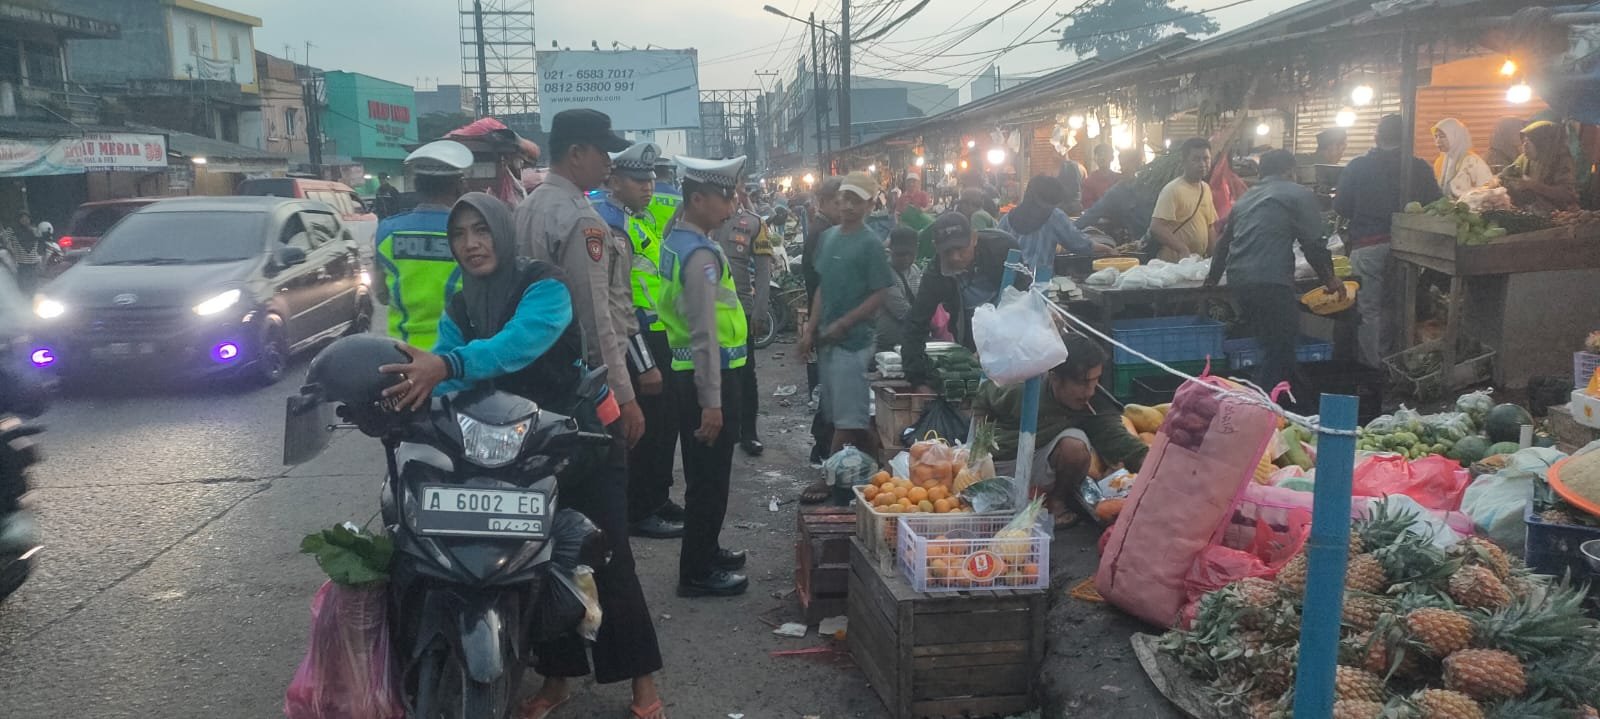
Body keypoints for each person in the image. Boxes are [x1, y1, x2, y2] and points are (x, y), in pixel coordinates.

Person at [376, 193, 666, 719]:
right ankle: (557, 679)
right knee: (526, 562)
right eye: (460, 234)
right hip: (510, 445)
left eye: (481, 230)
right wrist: (403, 399)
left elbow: (515, 346)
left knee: (604, 557)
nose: (471, 244)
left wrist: (446, 364)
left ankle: (642, 685)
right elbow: (444, 371)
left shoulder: (545, 285)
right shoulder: (462, 302)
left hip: (579, 439)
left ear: (503, 233)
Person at [515, 109, 652, 450]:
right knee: (603, 485)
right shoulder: (580, 220)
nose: (609, 162)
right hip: (579, 383)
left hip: (532, 371)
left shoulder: (527, 208)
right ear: (576, 154)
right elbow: (595, 316)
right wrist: (623, 396)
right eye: (602, 152)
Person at [656, 155, 752, 598]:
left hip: (694, 375)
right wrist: (711, 400)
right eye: (724, 197)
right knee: (708, 481)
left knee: (709, 476)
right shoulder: (698, 256)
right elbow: (704, 334)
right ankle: (695, 572)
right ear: (697, 199)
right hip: (706, 380)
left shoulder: (678, 240)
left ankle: (707, 550)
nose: (731, 206)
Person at [592, 142, 684, 540]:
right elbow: (618, 302)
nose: (647, 187)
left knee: (664, 427)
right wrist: (644, 363)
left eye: (649, 179)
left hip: (656, 329)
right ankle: (639, 510)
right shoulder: (609, 223)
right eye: (637, 180)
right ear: (614, 181)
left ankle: (657, 497)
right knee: (642, 430)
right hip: (635, 337)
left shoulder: (638, 217)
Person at [1205, 150, 1345, 404]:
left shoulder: (1247, 198)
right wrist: (1330, 279)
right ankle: (1257, 407)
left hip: (1239, 281)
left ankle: (1296, 402)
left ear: (1261, 173)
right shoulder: (1298, 194)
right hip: (1270, 280)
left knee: (1276, 345)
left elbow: (1224, 242)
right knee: (1279, 348)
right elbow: (1313, 243)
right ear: (1291, 171)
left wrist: (1212, 281)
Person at [971, 334, 1147, 528]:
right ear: (1055, 378)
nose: (1089, 391)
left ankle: (1057, 503)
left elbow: (1120, 442)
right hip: (1001, 463)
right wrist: (979, 446)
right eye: (1081, 383)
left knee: (1075, 445)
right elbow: (983, 396)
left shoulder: (1095, 403)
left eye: (1095, 380)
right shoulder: (1021, 388)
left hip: (1040, 465)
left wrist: (1156, 468)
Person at [799, 171, 897, 461]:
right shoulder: (828, 238)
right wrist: (810, 330)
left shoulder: (871, 245)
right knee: (841, 415)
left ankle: (828, 474)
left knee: (847, 421)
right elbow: (822, 289)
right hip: (828, 341)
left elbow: (879, 293)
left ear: (869, 205)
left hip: (854, 342)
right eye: (845, 199)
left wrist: (845, 322)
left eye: (857, 201)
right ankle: (880, 463)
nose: (848, 207)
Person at [1334, 114, 1443, 368]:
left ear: (1376, 136)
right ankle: (1398, 364)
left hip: (1368, 245)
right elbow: (1436, 205)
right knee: (1400, 306)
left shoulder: (1358, 166)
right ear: (1407, 137)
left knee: (1368, 309)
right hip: (1408, 247)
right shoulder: (1420, 167)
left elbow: (1341, 206)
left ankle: (1373, 368)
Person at [902, 211, 1027, 389]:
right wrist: (917, 379)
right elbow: (915, 323)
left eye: (961, 249)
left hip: (1010, 319)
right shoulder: (935, 275)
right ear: (935, 247)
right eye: (947, 251)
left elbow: (1025, 295)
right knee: (975, 380)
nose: (955, 257)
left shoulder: (1002, 248)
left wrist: (998, 339)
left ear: (974, 238)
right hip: (969, 324)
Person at [373, 140, 473, 351]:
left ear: (417, 186)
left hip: (401, 357)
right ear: (459, 186)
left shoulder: (387, 231)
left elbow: (381, 295)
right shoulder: (470, 234)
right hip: (455, 358)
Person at [712, 185, 771, 458]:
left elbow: (762, 271)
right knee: (711, 371)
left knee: (745, 373)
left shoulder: (753, 224)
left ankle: (749, 433)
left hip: (740, 310)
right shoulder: (703, 220)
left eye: (731, 193)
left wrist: (760, 311)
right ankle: (721, 429)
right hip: (705, 310)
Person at [1001, 175, 1099, 273]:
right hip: (1039, 284)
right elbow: (1078, 243)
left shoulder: (1007, 218)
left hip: (1008, 282)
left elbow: (996, 247)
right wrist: (1100, 247)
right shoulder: (1054, 216)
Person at [1149, 137, 1219, 261]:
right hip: (1174, 265)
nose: (1202, 164)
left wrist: (1215, 257)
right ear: (1184, 162)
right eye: (1196, 159)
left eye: (1206, 158)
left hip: (1197, 263)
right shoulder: (1172, 190)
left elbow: (1210, 226)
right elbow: (1157, 227)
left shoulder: (1206, 189)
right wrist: (1182, 249)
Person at [1499, 120, 1580, 213]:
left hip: (1560, 214)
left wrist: (1534, 185)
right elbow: (1508, 173)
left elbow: (1567, 194)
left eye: (1529, 141)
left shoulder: (1561, 160)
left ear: (1542, 143)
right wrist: (1498, 180)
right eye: (1524, 141)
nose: (1524, 146)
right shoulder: (1525, 158)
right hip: (1533, 211)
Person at [1075, 150, 1153, 243]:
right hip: (1146, 241)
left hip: (1144, 240)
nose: (1123, 168)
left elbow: (1092, 214)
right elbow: (1092, 213)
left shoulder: (1119, 190)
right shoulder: (1119, 190)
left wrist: (1068, 231)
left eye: (1124, 164)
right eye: (1122, 165)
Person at [876, 226, 923, 353]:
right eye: (900, 254)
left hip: (910, 338)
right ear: (890, 250)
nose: (906, 259)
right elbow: (902, 311)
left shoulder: (915, 270)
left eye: (910, 254)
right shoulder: (884, 273)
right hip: (886, 346)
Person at [1432, 118, 1495, 200]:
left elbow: (1489, 191)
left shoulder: (1473, 162)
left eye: (1442, 136)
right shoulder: (1441, 161)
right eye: (1436, 136)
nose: (1437, 141)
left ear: (1455, 136)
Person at [2, 211, 43, 294]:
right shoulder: (12, 230)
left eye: (27, 218)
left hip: (33, 263)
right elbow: (5, 238)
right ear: (18, 219)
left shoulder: (34, 230)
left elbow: (40, 240)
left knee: (34, 285)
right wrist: (10, 248)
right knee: (23, 285)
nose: (25, 220)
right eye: (22, 218)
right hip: (22, 263)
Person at [645, 156, 682, 240]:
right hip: (671, 245)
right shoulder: (681, 198)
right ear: (668, 174)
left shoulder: (645, 196)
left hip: (649, 245)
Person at [1080, 144, 1120, 209]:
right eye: (1099, 155)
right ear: (1094, 159)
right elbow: (1087, 203)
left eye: (1106, 154)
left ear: (1112, 158)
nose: (1102, 158)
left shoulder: (1119, 179)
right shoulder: (1089, 182)